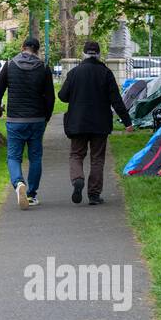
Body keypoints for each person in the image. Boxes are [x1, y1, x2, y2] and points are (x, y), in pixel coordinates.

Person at [58, 40, 132, 205]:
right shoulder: (106, 73)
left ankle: (77, 179)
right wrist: (127, 122)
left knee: (76, 154)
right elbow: (116, 100)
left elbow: (62, 96)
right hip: (100, 123)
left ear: (83, 54)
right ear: (98, 54)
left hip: (77, 122)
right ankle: (94, 194)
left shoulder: (74, 73)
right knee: (97, 158)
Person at [0, 37, 55, 210]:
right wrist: (47, 117)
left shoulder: (10, 64)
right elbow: (50, 98)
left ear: (22, 47)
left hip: (15, 120)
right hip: (37, 120)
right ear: (37, 50)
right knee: (35, 157)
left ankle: (19, 183)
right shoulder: (43, 68)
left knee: (13, 156)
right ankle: (31, 195)